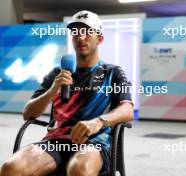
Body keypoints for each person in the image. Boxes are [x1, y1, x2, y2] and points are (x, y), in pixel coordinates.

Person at [0, 10, 134, 176]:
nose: (80, 37)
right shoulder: (58, 73)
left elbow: (127, 110)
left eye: (87, 31)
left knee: (79, 169)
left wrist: (98, 122)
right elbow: (28, 114)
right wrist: (53, 89)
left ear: (100, 38)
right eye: (76, 32)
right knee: (10, 168)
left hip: (94, 143)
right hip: (55, 143)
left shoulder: (113, 72)